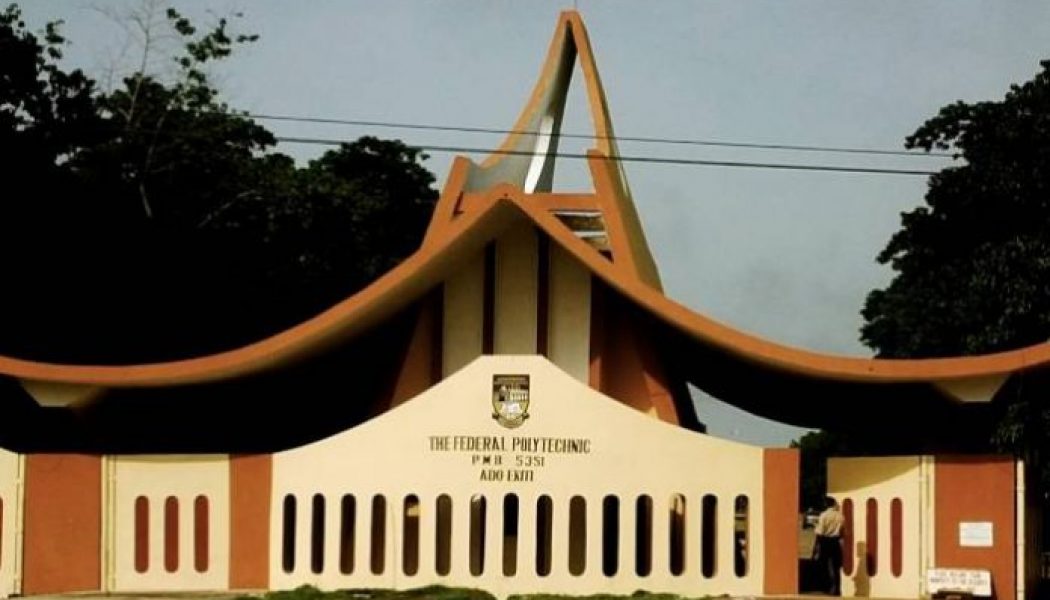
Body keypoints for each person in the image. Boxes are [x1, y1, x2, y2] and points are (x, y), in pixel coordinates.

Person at [813, 496, 845, 595]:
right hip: (835, 541)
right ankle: (837, 588)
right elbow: (841, 531)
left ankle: (826, 587)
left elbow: (820, 532)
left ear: (826, 504)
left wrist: (816, 546)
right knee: (836, 566)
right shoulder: (840, 516)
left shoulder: (823, 515)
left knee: (824, 564)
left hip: (824, 541)